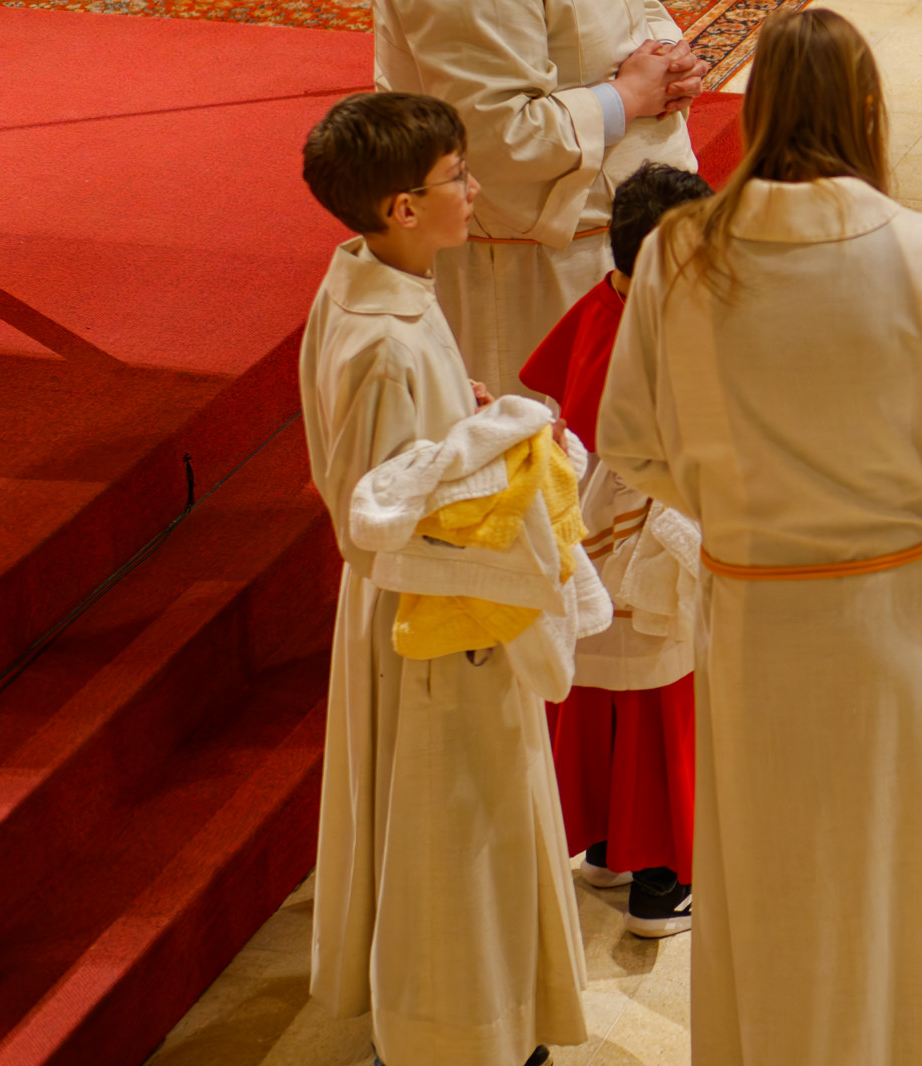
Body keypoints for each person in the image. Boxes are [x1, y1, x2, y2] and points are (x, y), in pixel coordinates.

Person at [596, 10, 922, 1063]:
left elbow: (631, 439)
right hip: (903, 610)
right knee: (916, 860)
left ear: (758, 108)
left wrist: (738, 510)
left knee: (782, 866)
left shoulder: (681, 253)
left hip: (758, 615)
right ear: (870, 110)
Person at [298, 93, 588, 1066]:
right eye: (456, 176)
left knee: (470, 823)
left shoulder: (373, 277)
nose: (473, 188)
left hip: (434, 606)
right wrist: (502, 455)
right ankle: (451, 1041)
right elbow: (378, 514)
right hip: (433, 617)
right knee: (453, 835)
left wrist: (462, 417)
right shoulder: (382, 340)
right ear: (403, 208)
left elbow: (403, 456)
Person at [519, 161, 714, 939]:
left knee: (603, 696)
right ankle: (663, 880)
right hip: (645, 536)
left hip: (589, 530)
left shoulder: (605, 300)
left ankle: (607, 844)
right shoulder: (661, 337)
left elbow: (560, 389)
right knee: (661, 703)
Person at [374, 0, 707, 398]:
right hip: (544, 259)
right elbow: (496, 135)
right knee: (552, 430)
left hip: (648, 220)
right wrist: (629, 96)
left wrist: (672, 61)